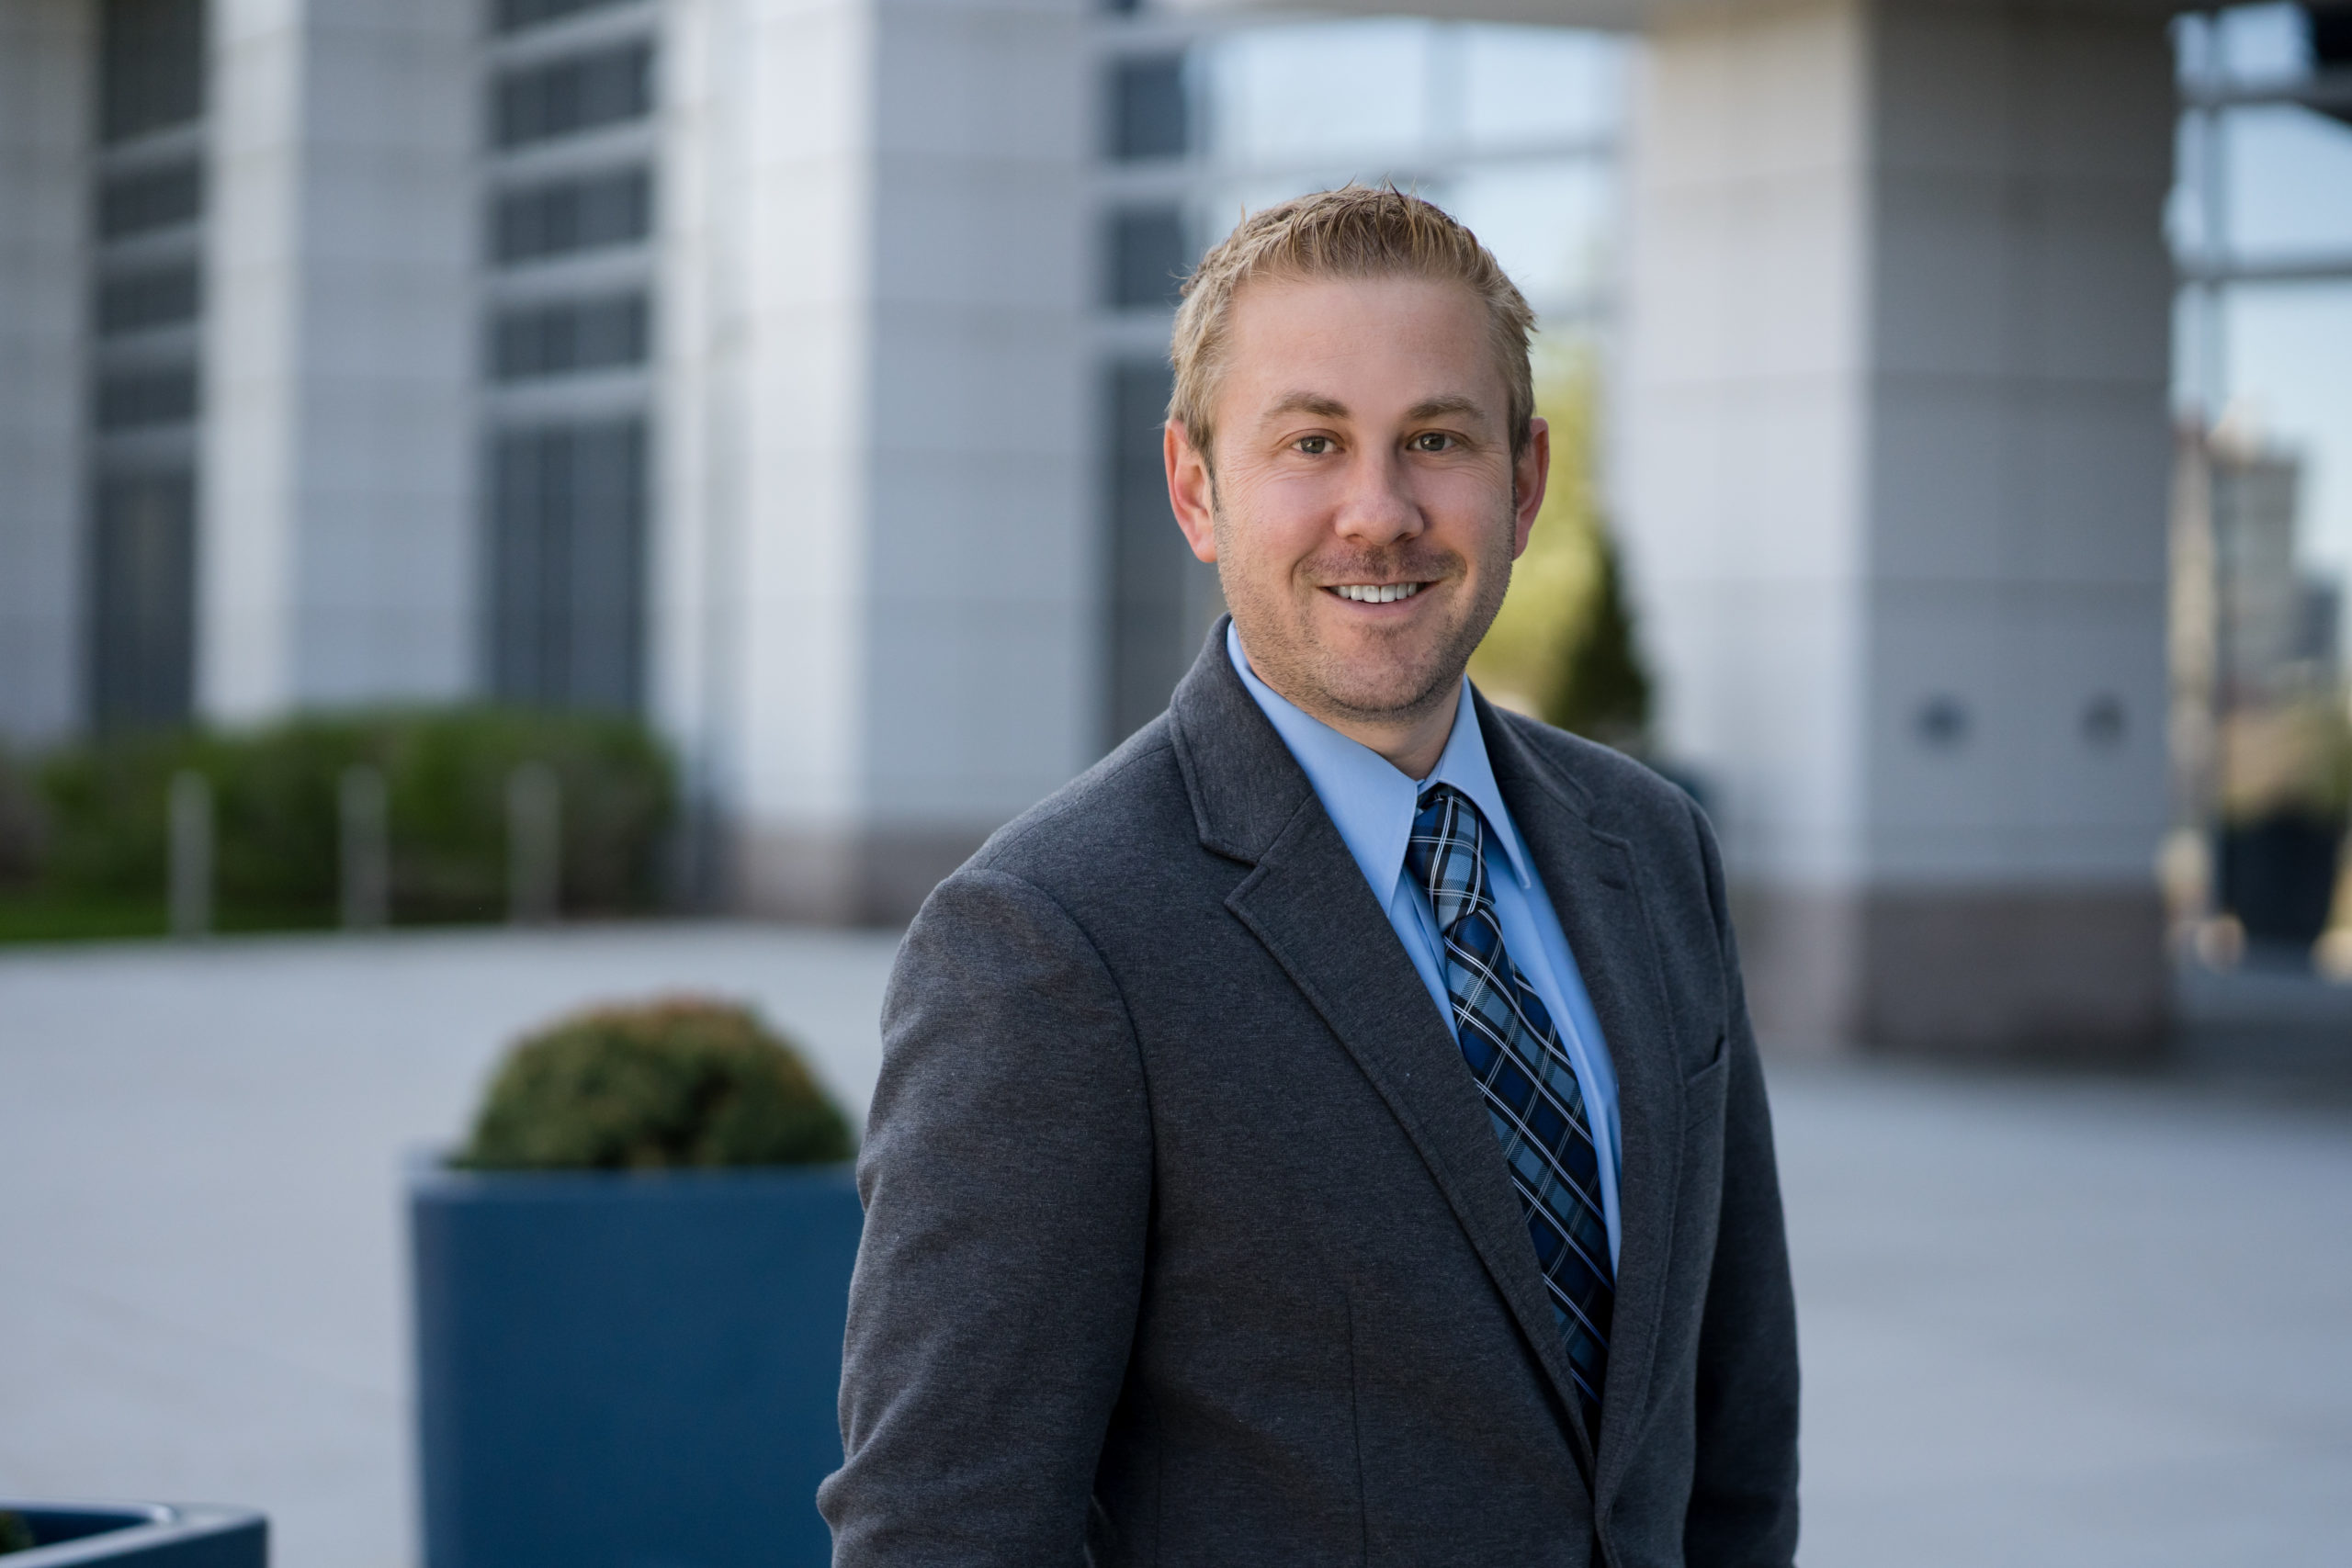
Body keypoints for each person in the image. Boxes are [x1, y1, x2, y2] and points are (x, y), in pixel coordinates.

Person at [819, 186, 1798, 1567]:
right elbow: (945, 1530)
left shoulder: (1652, 848)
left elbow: (1733, 1432)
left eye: (1437, 440)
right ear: (1196, 489)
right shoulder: (1047, 943)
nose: (1379, 512)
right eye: (1312, 442)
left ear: (1524, 481)